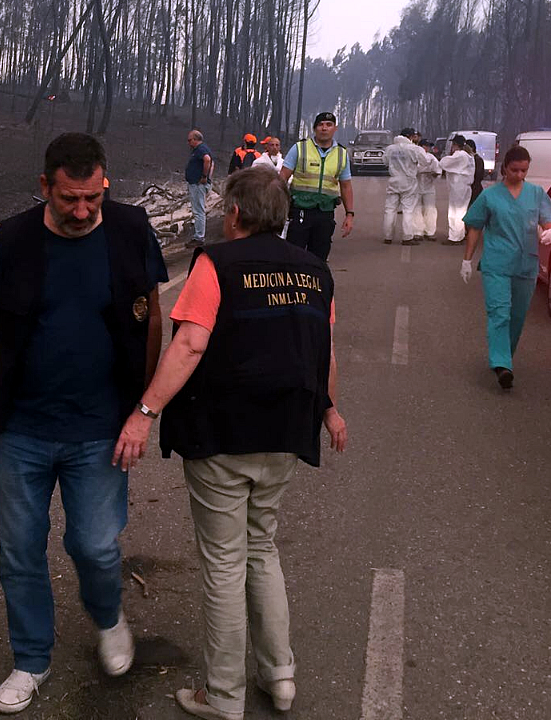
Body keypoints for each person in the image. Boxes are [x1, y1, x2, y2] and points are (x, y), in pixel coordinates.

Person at [0, 132, 168, 715]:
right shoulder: (12, 240)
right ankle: (31, 658)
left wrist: (143, 408)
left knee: (95, 545)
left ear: (104, 184)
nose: (83, 211)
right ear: (45, 186)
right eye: (69, 199)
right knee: (19, 551)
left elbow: (151, 317)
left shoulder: (130, 230)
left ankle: (108, 618)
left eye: (93, 197)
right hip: (23, 428)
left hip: (101, 427)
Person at [112, 169, 347, 720]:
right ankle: (280, 675)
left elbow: (190, 344)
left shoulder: (215, 264)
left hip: (222, 432)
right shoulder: (316, 271)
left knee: (223, 563)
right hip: (287, 432)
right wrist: (329, 410)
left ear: (235, 212)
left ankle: (223, 696)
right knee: (261, 547)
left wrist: (144, 413)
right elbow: (324, 351)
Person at [460, 145, 551, 390]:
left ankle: (504, 356)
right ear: (505, 168)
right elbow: (475, 227)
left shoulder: (536, 194)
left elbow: (549, 220)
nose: (519, 175)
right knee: (500, 313)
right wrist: (467, 260)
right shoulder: (490, 196)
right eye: (515, 170)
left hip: (526, 265)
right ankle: (502, 365)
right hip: (497, 263)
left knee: (517, 316)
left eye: (524, 170)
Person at [279, 112, 355, 261]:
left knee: (319, 259)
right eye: (320, 125)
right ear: (314, 128)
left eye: (329, 125)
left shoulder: (342, 154)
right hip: (300, 211)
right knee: (293, 257)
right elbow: (282, 179)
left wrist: (349, 215)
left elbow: (346, 186)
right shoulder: (300, 148)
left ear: (335, 128)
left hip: (325, 213)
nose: (324, 128)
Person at [383, 128, 422, 245]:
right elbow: (424, 161)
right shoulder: (414, 149)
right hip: (408, 182)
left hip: (394, 181)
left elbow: (385, 162)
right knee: (408, 210)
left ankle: (388, 237)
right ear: (410, 136)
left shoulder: (390, 149)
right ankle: (407, 237)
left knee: (390, 209)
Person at [439, 135, 475, 245]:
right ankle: (460, 234)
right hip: (466, 186)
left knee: (454, 212)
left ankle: (454, 237)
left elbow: (444, 163)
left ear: (455, 145)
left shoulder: (459, 155)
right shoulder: (469, 156)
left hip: (458, 187)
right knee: (462, 212)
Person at [186, 129, 214, 247]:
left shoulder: (201, 149)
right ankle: (198, 235)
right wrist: (209, 178)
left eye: (189, 140)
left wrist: (204, 177)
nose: (188, 143)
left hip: (198, 185)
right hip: (197, 184)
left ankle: (199, 237)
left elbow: (208, 160)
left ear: (195, 139)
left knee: (198, 211)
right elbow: (212, 164)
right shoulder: (201, 149)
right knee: (198, 210)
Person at [414, 139, 443, 241]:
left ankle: (430, 232)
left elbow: (438, 170)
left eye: (428, 146)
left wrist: (433, 173)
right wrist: (426, 170)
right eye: (426, 146)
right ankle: (417, 232)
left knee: (430, 209)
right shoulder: (414, 156)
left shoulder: (432, 158)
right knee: (416, 210)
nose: (427, 148)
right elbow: (412, 170)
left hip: (429, 187)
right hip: (416, 187)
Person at [466, 139, 486, 208]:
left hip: (475, 189)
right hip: (474, 188)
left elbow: (479, 175)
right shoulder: (476, 159)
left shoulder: (477, 159)